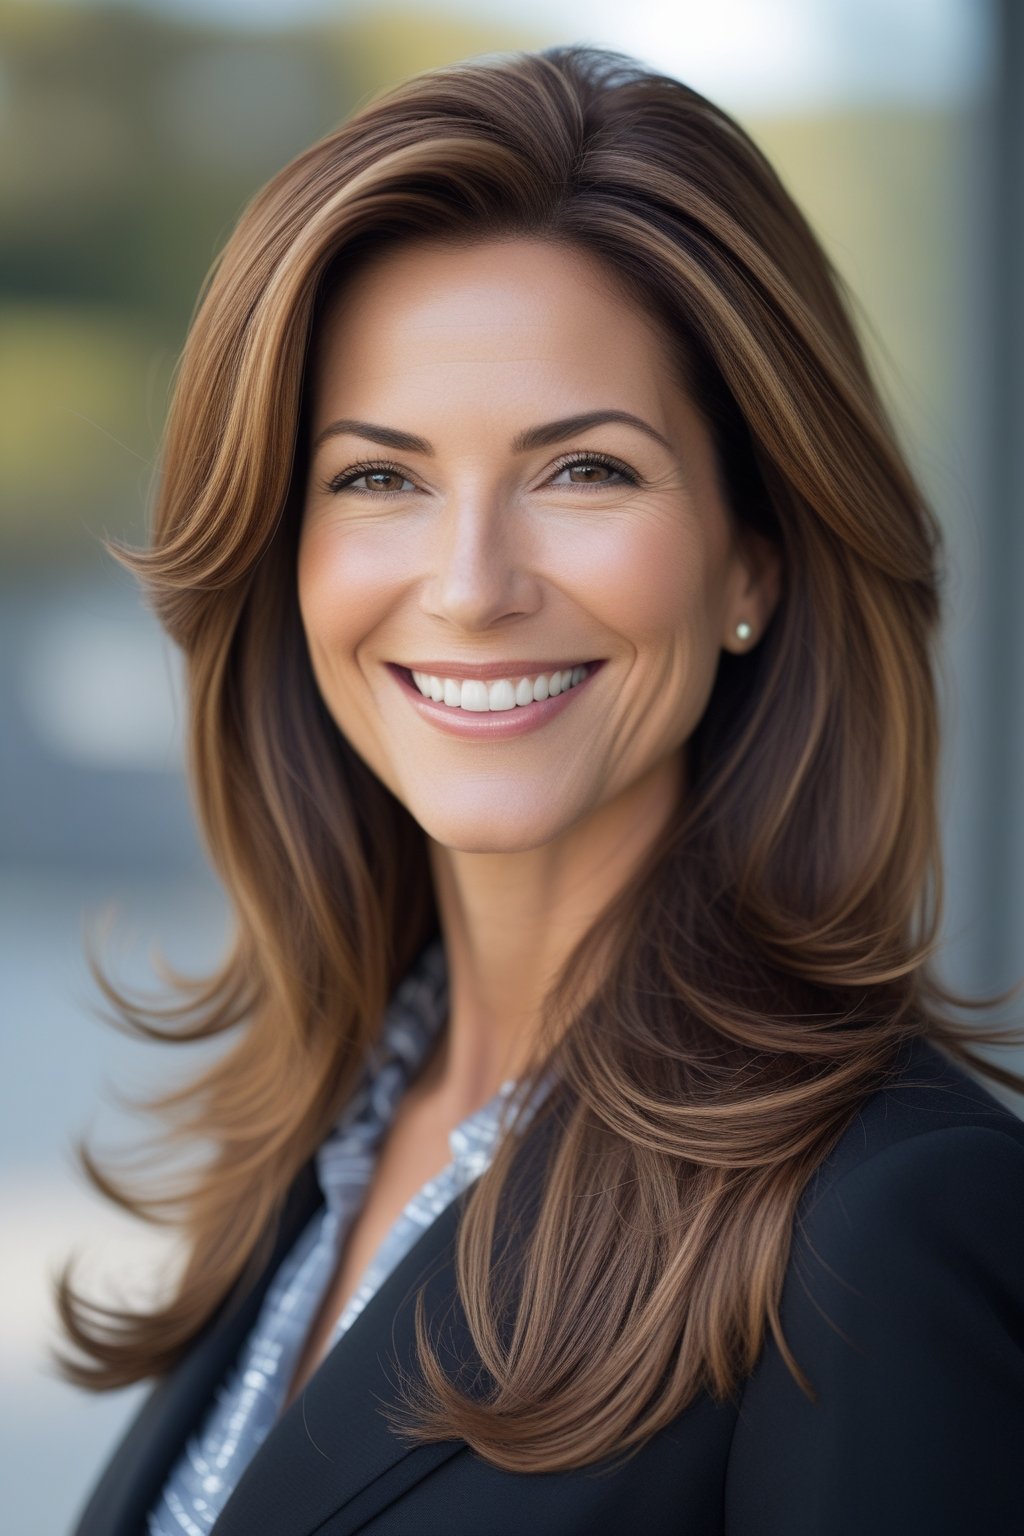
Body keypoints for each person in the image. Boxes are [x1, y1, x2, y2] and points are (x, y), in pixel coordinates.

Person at [60, 43, 1024, 1536]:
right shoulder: (321, 1133)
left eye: (585, 471)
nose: (471, 588)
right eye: (379, 478)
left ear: (753, 556)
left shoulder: (886, 1229)